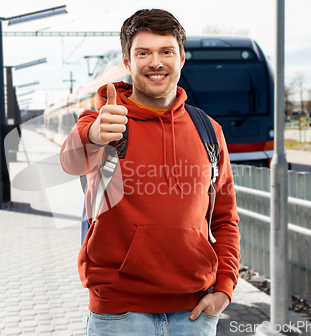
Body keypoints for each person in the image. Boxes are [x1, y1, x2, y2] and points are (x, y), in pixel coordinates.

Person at [60, 8, 240, 336]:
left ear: (182, 58)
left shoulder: (208, 130)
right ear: (127, 62)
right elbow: (71, 161)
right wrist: (96, 135)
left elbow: (225, 219)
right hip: (119, 314)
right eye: (143, 53)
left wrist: (225, 290)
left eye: (166, 51)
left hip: (193, 313)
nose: (155, 62)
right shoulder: (100, 119)